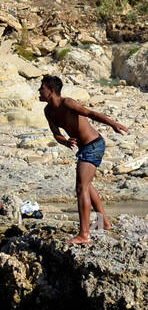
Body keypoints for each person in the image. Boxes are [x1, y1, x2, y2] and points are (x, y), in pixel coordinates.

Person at [39, 74, 129, 244]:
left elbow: (90, 113)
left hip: (94, 145)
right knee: (87, 185)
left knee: (81, 187)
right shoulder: (48, 111)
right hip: (84, 148)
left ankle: (84, 235)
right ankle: (105, 223)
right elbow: (56, 134)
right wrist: (65, 141)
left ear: (51, 91)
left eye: (42, 88)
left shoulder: (68, 103)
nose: (39, 91)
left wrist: (113, 124)